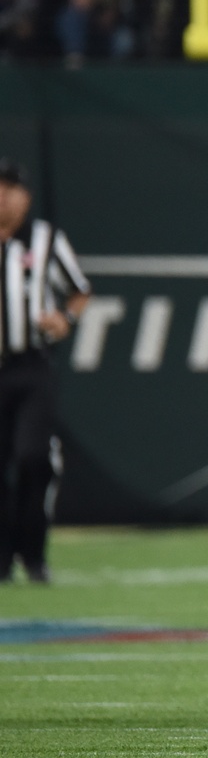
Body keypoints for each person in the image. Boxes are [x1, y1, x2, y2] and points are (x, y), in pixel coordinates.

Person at [0, 158, 91, 583]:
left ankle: (32, 552)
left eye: (9, 187)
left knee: (34, 456)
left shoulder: (44, 239)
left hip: (30, 365)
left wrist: (64, 320)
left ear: (26, 196)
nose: (2, 195)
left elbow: (79, 292)